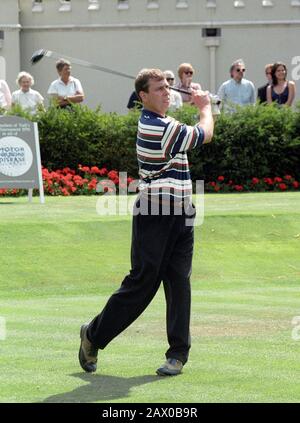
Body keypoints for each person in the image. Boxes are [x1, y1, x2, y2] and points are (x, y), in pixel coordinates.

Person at [78, 68, 214, 377]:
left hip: (182, 211)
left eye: (168, 87)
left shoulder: (167, 122)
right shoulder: (155, 127)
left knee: (179, 281)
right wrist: (205, 107)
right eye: (158, 89)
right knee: (142, 283)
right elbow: (205, 133)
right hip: (154, 212)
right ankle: (93, 335)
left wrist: (199, 106)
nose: (166, 92)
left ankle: (178, 354)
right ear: (143, 96)